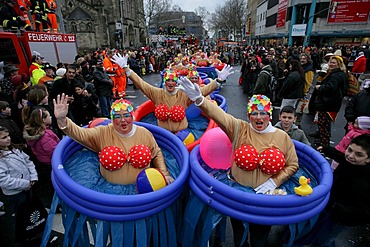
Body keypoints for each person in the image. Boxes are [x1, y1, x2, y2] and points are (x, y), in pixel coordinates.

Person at [178, 74, 299, 246]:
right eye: (254, 113)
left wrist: (274, 182)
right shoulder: (239, 129)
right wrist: (199, 99)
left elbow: (293, 164)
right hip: (238, 196)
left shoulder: (282, 137)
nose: (258, 117)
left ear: (269, 115)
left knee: (259, 239)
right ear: (249, 115)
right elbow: (218, 114)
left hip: (264, 200)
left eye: (263, 113)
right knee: (239, 237)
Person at [53, 95, 174, 185]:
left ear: (132, 117)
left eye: (126, 115)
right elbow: (79, 133)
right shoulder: (102, 132)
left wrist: (164, 173)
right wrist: (63, 120)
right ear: (111, 119)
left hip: (141, 190)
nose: (122, 120)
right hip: (110, 192)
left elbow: (156, 153)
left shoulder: (144, 133)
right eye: (117, 117)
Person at [112, 53, 225, 133]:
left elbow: (203, 92)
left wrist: (218, 81)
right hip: (162, 134)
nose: (170, 83)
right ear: (164, 82)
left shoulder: (183, 94)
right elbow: (141, 84)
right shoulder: (157, 93)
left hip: (182, 133)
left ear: (176, 82)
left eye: (173, 81)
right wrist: (126, 69)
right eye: (168, 81)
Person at [298, 134, 370, 246]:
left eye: (359, 154)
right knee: (317, 231)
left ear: (368, 159)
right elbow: (341, 156)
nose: (350, 156)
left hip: (341, 218)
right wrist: (327, 150)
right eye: (349, 150)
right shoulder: (350, 162)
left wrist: (335, 207)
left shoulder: (365, 183)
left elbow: (365, 213)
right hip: (330, 206)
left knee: (325, 238)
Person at [0, 126, 38, 215]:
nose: (8, 139)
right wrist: (25, 184)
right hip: (15, 193)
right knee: (21, 214)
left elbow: (28, 161)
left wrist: (33, 177)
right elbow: (3, 180)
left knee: (31, 210)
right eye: (4, 137)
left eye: (8, 136)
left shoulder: (15, 149)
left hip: (28, 186)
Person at [314, 56, 347, 146]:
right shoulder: (340, 74)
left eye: (334, 63)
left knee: (324, 125)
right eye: (330, 62)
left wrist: (320, 87)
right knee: (324, 125)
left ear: (339, 64)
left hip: (327, 104)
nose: (331, 64)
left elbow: (331, 88)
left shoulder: (335, 75)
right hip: (332, 103)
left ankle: (324, 145)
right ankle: (323, 142)